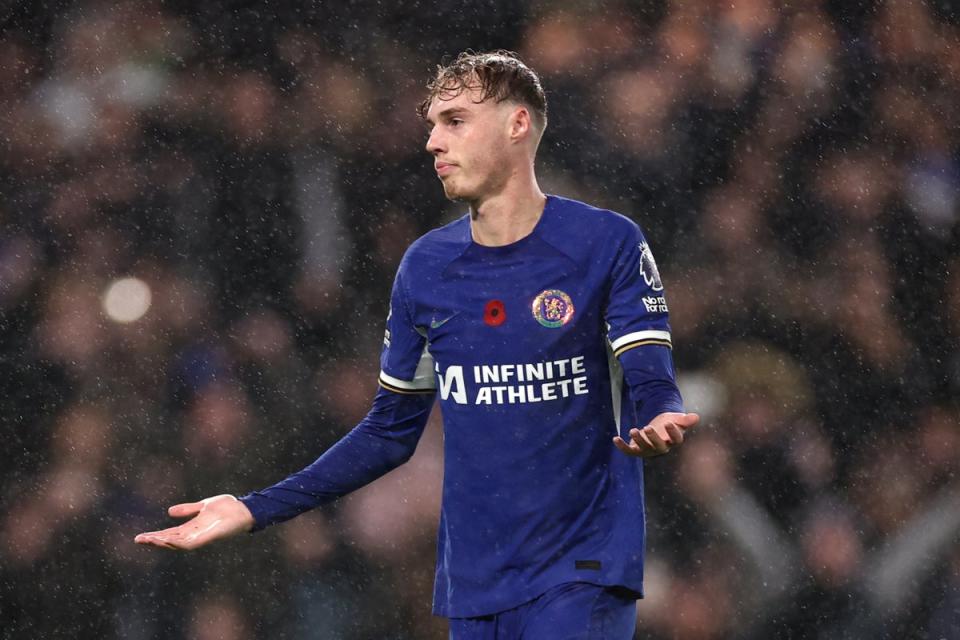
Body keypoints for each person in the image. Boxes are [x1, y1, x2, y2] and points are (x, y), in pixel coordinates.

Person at [135, 50, 699, 639]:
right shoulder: (426, 269)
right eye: (431, 124)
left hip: (582, 568)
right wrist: (256, 507)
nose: (433, 141)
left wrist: (659, 416)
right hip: (475, 579)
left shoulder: (605, 242)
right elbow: (388, 432)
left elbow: (650, 373)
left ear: (517, 124)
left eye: (454, 121)